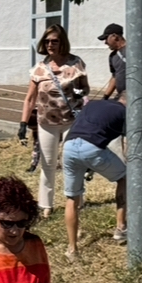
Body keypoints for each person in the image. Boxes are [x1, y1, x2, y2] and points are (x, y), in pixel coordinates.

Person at [19, 25, 88, 218]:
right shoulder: (39, 69)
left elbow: (85, 88)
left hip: (71, 120)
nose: (51, 45)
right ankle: (45, 205)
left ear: (62, 42)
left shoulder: (76, 64)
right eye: (47, 41)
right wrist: (23, 123)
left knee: (71, 162)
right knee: (48, 163)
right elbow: (30, 98)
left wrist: (78, 92)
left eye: (55, 41)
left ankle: (76, 200)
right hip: (46, 122)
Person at [62, 95, 127, 259]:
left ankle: (72, 249)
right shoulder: (125, 112)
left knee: (72, 198)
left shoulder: (94, 103)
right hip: (92, 147)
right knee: (125, 177)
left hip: (68, 147)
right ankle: (121, 228)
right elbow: (128, 142)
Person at [98, 22, 127, 101]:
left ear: (114, 36)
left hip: (136, 95)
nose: (105, 43)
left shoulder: (133, 51)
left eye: (106, 38)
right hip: (122, 96)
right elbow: (115, 77)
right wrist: (105, 97)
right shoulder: (112, 56)